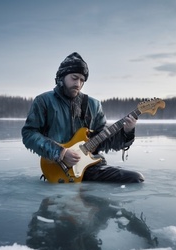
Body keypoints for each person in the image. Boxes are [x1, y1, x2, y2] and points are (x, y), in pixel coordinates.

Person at [21, 52, 144, 183]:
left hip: (91, 167)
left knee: (135, 178)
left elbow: (103, 141)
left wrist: (126, 132)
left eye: (82, 80)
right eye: (74, 78)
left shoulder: (93, 105)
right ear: (61, 77)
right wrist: (60, 153)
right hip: (59, 169)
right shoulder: (43, 101)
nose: (78, 84)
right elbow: (29, 134)